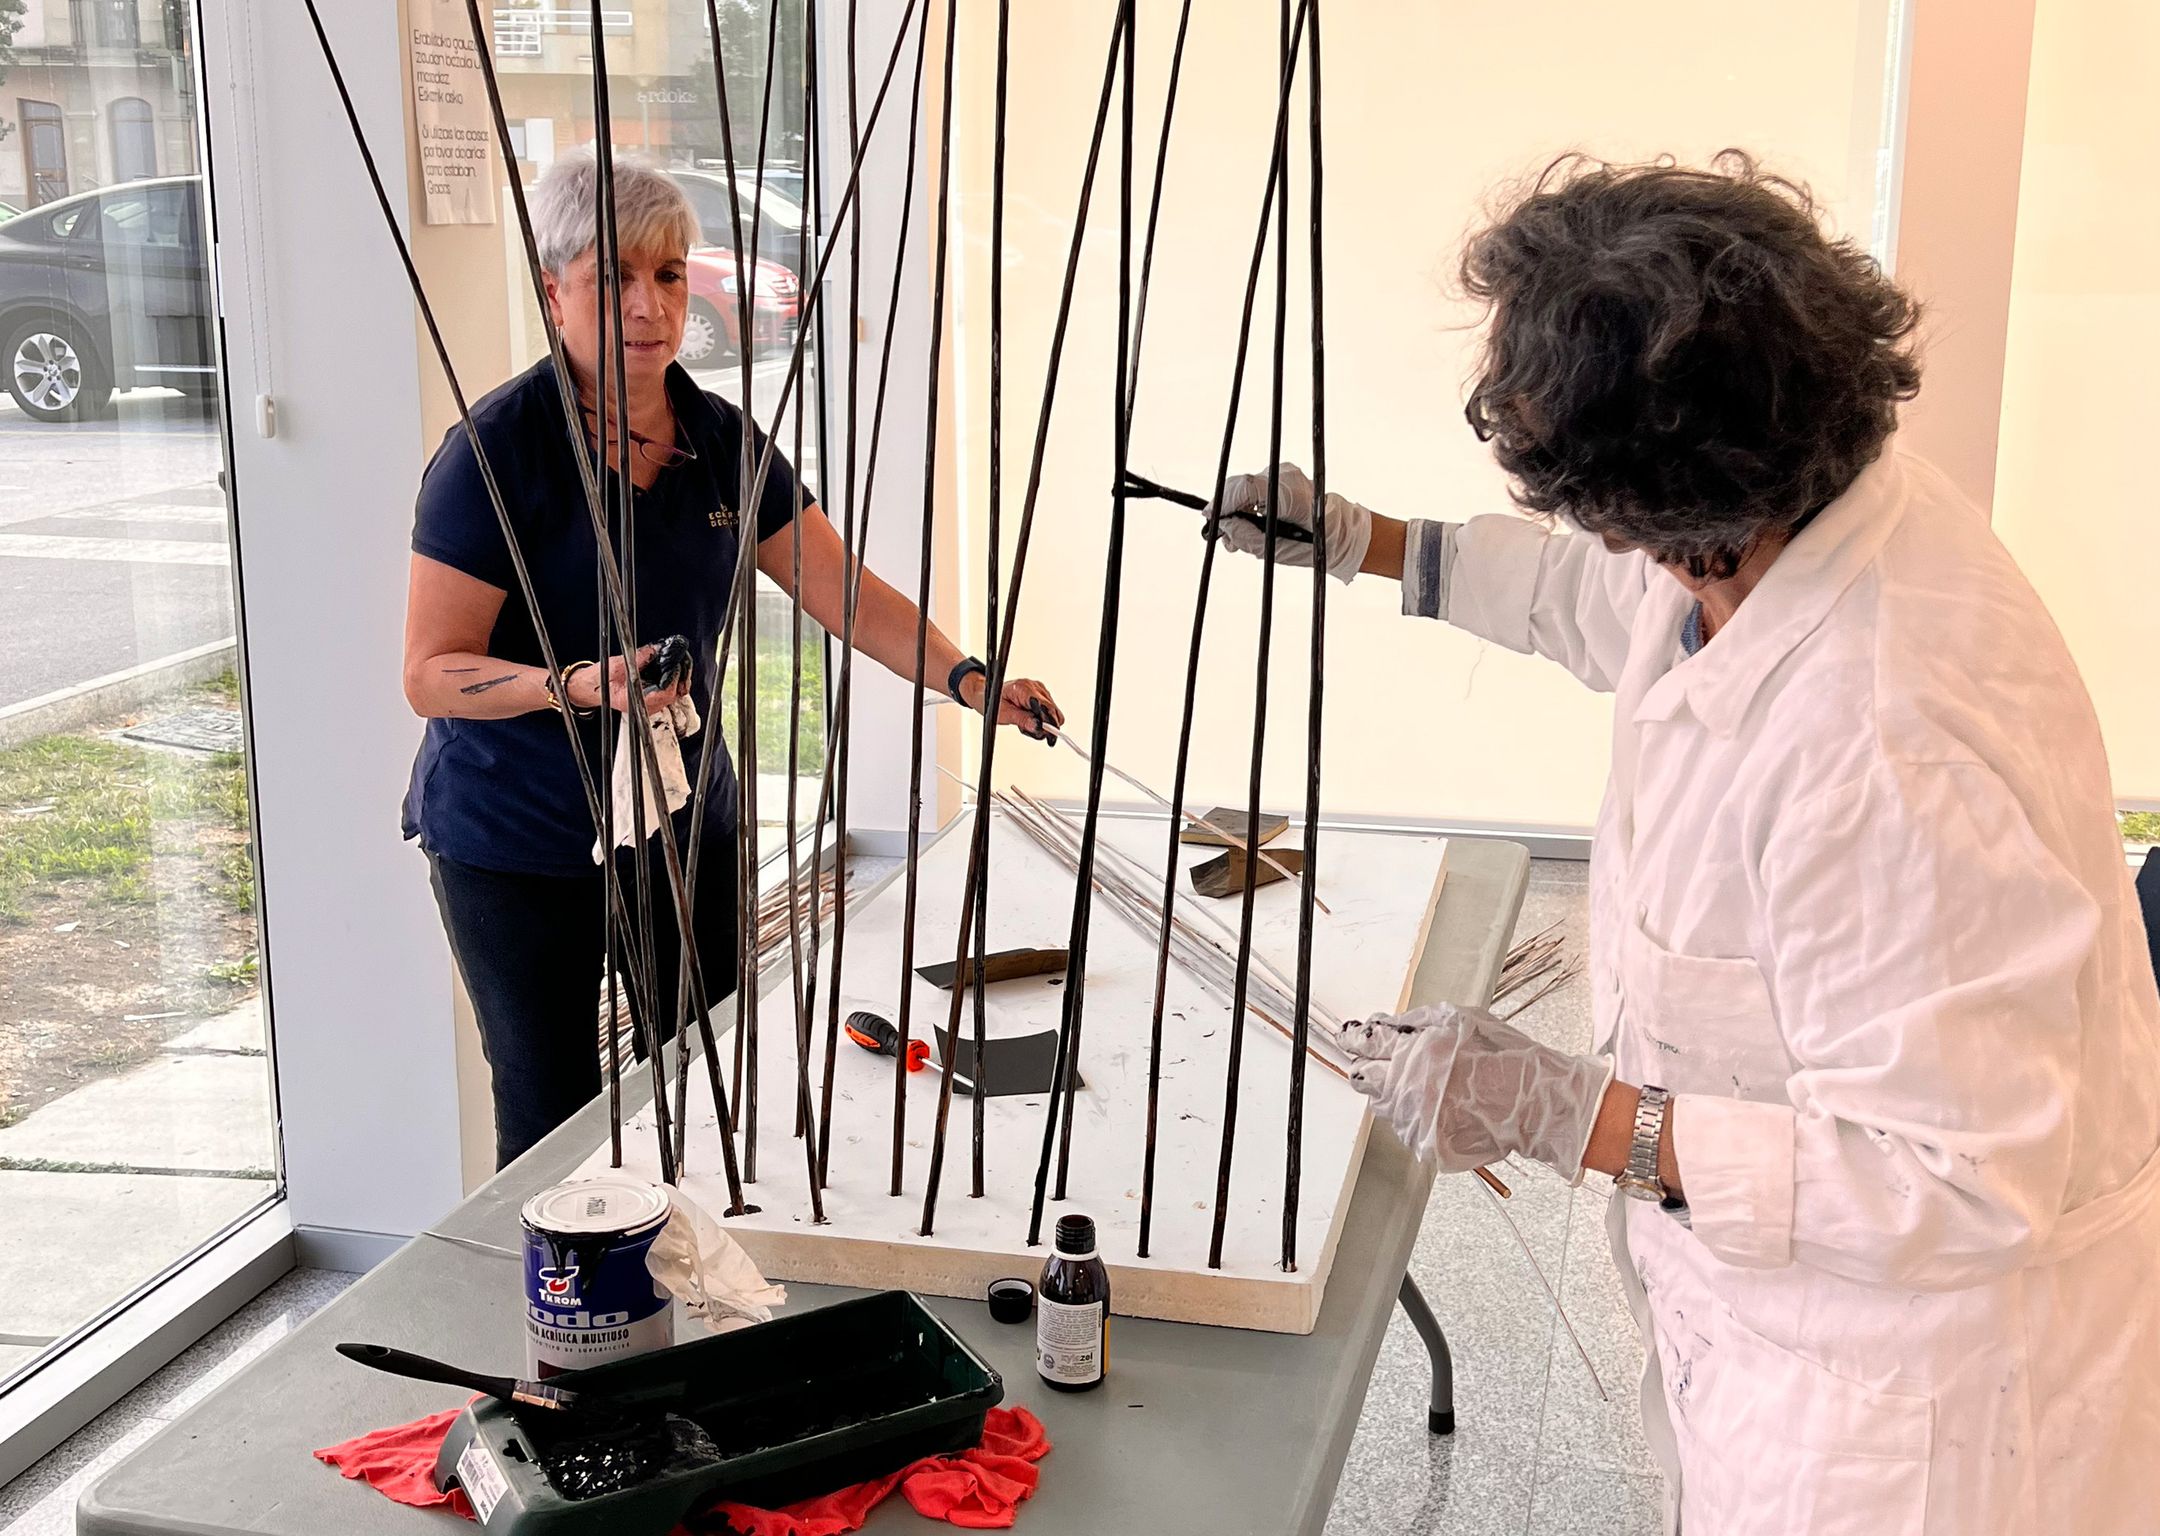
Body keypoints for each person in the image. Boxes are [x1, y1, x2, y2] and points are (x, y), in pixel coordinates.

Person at [1209, 154, 2160, 1534]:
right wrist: (1371, 544)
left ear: (1656, 506)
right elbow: (1594, 601)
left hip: (1919, 1414)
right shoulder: (1790, 502)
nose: (1596, 546)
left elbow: (1962, 1180)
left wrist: (1575, 1116)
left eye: (1594, 508)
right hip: (1783, 1338)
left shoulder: (1885, 738)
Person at [401, 147, 1062, 1169]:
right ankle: (559, 1316)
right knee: (551, 1111)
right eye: (613, 276)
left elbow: (840, 589)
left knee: (708, 1074)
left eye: (668, 274)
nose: (648, 303)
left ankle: (705, 1288)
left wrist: (969, 679)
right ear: (553, 289)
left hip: (681, 820)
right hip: (517, 835)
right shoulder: (496, 451)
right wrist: (572, 685)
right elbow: (431, 671)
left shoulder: (722, 439)